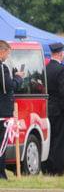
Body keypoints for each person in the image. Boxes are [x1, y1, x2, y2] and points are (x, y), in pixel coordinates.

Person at [44, 42, 64, 176]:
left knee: (49, 140)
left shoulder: (45, 68)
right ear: (61, 54)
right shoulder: (62, 70)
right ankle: (57, 169)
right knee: (60, 142)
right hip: (60, 111)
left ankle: (46, 167)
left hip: (47, 109)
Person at [0, 40, 25, 180]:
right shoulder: (1, 67)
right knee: (2, 144)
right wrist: (17, 78)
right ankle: (1, 173)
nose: (8, 56)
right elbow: (8, 87)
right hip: (2, 112)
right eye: (8, 53)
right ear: (2, 51)